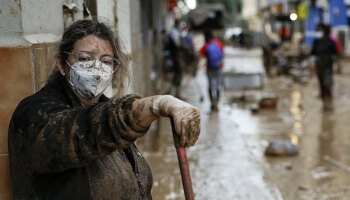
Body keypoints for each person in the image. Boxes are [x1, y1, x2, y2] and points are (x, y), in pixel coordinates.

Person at [8, 19, 200, 200]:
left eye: (106, 61)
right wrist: (153, 105)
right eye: (84, 58)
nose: (97, 68)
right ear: (61, 64)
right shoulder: (34, 113)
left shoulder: (107, 108)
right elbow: (75, 133)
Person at [311, 23, 338, 111]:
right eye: (318, 30)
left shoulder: (330, 41)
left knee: (327, 84)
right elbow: (313, 53)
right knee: (321, 84)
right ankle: (324, 104)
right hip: (319, 66)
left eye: (320, 30)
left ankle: (329, 103)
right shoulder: (316, 41)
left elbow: (335, 53)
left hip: (328, 66)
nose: (319, 32)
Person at [199, 31, 224, 111]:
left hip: (209, 68)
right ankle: (216, 104)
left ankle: (212, 104)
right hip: (219, 67)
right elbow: (222, 54)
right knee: (217, 86)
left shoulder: (206, 45)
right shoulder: (219, 43)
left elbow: (201, 55)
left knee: (210, 85)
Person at [164, 19, 183, 99]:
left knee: (178, 73)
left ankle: (175, 92)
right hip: (174, 56)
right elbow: (177, 44)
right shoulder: (174, 32)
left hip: (175, 55)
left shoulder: (175, 31)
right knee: (178, 72)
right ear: (177, 24)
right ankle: (173, 92)